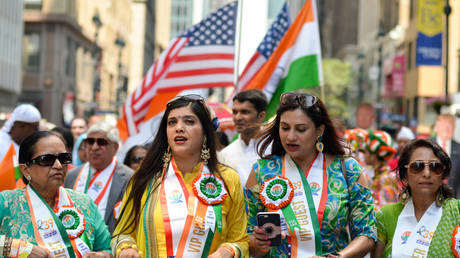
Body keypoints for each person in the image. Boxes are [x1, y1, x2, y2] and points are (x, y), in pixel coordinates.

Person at [112, 95, 249, 258]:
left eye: (189, 121)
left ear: (205, 131)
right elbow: (121, 233)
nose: (179, 128)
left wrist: (226, 251)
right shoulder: (145, 177)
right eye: (172, 122)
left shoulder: (227, 179)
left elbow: (240, 239)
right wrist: (126, 249)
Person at [246, 92, 376, 257]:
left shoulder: (348, 170)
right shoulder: (261, 171)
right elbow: (246, 236)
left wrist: (339, 257)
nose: (290, 136)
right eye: (285, 128)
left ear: (319, 131)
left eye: (301, 129)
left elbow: (367, 234)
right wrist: (259, 243)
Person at [0, 131, 111, 257]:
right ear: (26, 170)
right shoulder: (6, 202)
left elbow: (107, 248)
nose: (58, 166)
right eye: (46, 159)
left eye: (64, 158)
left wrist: (102, 255)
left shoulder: (84, 203)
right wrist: (19, 249)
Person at [372, 139, 460, 257]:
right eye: (417, 166)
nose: (427, 173)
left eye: (435, 167)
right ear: (405, 176)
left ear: (442, 175)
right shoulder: (386, 216)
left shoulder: (456, 212)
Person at [65, 121, 134, 233]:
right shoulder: (72, 175)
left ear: (115, 147)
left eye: (101, 142)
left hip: (109, 247)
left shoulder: (128, 178)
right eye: (90, 141)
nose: (94, 147)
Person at [219, 89, 268, 186]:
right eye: (234, 112)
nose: (238, 118)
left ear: (261, 116)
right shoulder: (224, 155)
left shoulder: (277, 147)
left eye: (244, 112)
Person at [0, 104, 41, 190]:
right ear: (23, 126)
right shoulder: (1, 142)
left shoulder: (30, 146)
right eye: (35, 127)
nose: (36, 131)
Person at [363, 130, 399, 209]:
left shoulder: (386, 178)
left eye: (365, 152)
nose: (363, 155)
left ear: (373, 155)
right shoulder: (379, 175)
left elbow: (388, 209)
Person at [433, 114, 460, 197]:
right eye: (443, 126)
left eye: (450, 126)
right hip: (428, 200)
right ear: (436, 128)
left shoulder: (459, 148)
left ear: (454, 129)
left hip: (453, 200)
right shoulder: (425, 146)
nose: (446, 130)